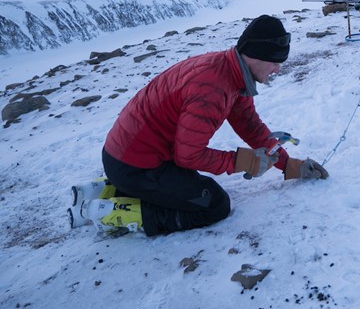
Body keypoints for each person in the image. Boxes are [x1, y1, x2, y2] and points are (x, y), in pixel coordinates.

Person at [74, 15, 328, 236]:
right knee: (214, 205)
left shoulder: (230, 72)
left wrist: (289, 165)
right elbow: (189, 156)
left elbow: (250, 126)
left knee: (193, 188)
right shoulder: (212, 88)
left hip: (130, 157)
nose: (278, 69)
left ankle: (107, 189)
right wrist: (242, 162)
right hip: (136, 166)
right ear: (253, 56)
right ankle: (115, 213)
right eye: (274, 61)